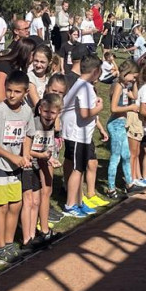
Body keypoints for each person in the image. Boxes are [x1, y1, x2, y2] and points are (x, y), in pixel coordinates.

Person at [0, 70, 34, 265]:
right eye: (9, 90)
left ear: (25, 93)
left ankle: (10, 243)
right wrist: (11, 156)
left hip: (16, 167)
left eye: (17, 92)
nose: (12, 95)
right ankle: (0, 246)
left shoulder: (27, 111)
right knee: (2, 206)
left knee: (15, 205)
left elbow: (29, 134)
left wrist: (25, 154)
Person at [61, 56, 104, 217]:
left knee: (78, 168)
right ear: (95, 71)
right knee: (77, 169)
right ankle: (70, 204)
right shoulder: (85, 87)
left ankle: (78, 201)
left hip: (78, 133)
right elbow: (85, 113)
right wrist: (99, 108)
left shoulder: (80, 85)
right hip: (77, 134)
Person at [107, 62, 139, 196]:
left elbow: (135, 96)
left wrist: (135, 82)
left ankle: (129, 184)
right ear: (126, 74)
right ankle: (111, 188)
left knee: (126, 156)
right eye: (133, 76)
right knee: (116, 157)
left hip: (121, 124)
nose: (133, 79)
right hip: (115, 124)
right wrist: (130, 108)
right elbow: (113, 108)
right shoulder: (118, 86)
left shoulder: (125, 86)